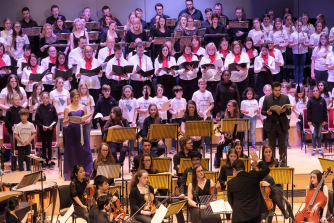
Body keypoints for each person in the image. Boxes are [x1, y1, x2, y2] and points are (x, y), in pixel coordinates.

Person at [227, 151, 270, 223]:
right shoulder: (254, 175)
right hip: (255, 214)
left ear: (234, 170)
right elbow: (266, 169)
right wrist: (257, 160)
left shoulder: (231, 183)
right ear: (244, 168)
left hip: (240, 216)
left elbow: (231, 201)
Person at [63, 90, 93, 181]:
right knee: (72, 152)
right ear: (71, 98)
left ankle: (86, 171)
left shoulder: (83, 107)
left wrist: (85, 121)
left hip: (81, 131)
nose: (76, 99)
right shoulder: (67, 108)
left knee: (84, 151)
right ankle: (72, 172)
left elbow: (85, 119)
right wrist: (69, 120)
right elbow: (64, 122)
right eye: (74, 98)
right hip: (71, 132)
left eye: (77, 97)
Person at [261, 82, 291, 166]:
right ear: (272, 90)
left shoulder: (285, 98)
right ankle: (271, 163)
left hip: (282, 125)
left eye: (279, 90)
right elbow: (262, 111)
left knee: (282, 145)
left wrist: (285, 111)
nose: (278, 92)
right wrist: (267, 112)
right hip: (271, 125)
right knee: (271, 146)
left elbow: (289, 111)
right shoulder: (267, 98)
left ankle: (283, 163)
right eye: (276, 90)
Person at [215, 100, 241, 168]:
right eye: (228, 105)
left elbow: (241, 129)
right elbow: (222, 128)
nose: (228, 107)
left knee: (238, 146)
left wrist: (237, 138)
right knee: (219, 146)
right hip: (227, 136)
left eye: (230, 106)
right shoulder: (224, 115)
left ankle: (237, 163)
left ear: (234, 107)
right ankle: (218, 164)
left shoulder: (239, 116)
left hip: (236, 136)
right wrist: (222, 138)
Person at [35, 91, 58, 170]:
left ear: (49, 98)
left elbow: (55, 118)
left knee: (49, 145)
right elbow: (37, 120)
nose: (45, 99)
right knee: (44, 145)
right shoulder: (39, 108)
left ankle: (49, 161)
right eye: (43, 98)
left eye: (46, 98)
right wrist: (42, 126)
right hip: (42, 130)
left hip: (50, 130)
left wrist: (52, 126)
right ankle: (44, 161)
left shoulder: (52, 107)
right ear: (41, 98)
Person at [76, 45, 102, 111]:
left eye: (90, 52)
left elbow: (100, 75)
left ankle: (94, 120)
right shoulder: (80, 61)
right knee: (84, 103)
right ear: (84, 53)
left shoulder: (96, 61)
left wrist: (100, 73)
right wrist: (78, 74)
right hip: (84, 86)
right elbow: (76, 74)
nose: (89, 53)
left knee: (94, 103)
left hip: (94, 85)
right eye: (87, 52)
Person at [50, 77, 70, 159]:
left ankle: (66, 152)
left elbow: (69, 105)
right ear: (56, 84)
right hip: (56, 117)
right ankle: (55, 152)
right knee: (56, 136)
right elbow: (50, 106)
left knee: (66, 135)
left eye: (62, 83)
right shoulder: (52, 93)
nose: (61, 84)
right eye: (59, 83)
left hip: (65, 117)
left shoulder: (66, 92)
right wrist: (55, 112)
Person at [307, 86, 327, 156]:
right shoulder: (310, 100)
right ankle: (314, 149)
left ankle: (319, 148)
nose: (315, 92)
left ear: (319, 91)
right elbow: (308, 111)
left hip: (320, 120)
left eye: (316, 90)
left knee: (319, 135)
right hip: (313, 121)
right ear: (312, 92)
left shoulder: (322, 100)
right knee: (314, 135)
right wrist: (309, 120)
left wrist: (325, 120)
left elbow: (325, 111)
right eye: (314, 91)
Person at [289, 19, 309, 87]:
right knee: (296, 68)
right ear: (295, 25)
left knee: (301, 68)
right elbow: (290, 45)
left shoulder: (305, 34)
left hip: (303, 53)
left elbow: (307, 44)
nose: (299, 27)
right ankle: (296, 83)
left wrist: (304, 44)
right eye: (298, 25)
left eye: (300, 25)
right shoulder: (293, 34)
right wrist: (295, 44)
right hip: (295, 53)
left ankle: (300, 83)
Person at [170, 86, 187, 152]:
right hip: (175, 118)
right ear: (175, 93)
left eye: (182, 91)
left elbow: (185, 108)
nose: (181, 93)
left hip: (182, 118)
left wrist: (184, 110)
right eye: (180, 92)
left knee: (182, 133)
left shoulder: (184, 100)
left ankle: (183, 147)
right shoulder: (173, 100)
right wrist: (174, 112)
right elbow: (170, 110)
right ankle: (173, 147)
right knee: (175, 133)